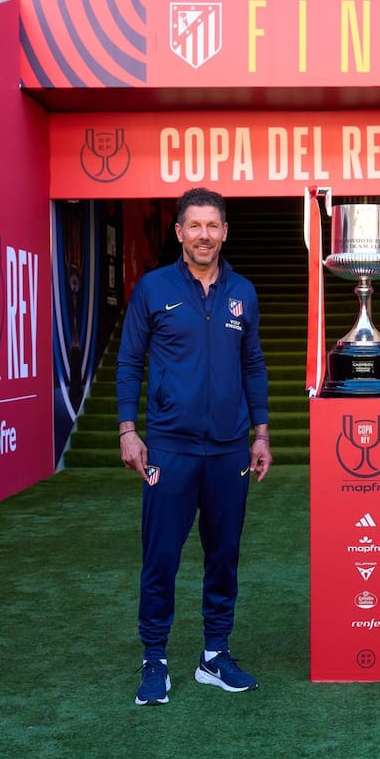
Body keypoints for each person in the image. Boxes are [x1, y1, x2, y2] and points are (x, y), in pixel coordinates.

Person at [117, 187, 272, 705]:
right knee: (161, 557)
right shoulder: (153, 289)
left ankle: (214, 655)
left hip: (229, 451)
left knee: (223, 556)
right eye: (195, 226)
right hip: (169, 448)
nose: (204, 235)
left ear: (225, 232)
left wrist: (261, 432)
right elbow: (129, 363)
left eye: (213, 226)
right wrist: (127, 430)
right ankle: (154, 658)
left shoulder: (243, 292)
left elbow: (253, 364)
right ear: (180, 232)